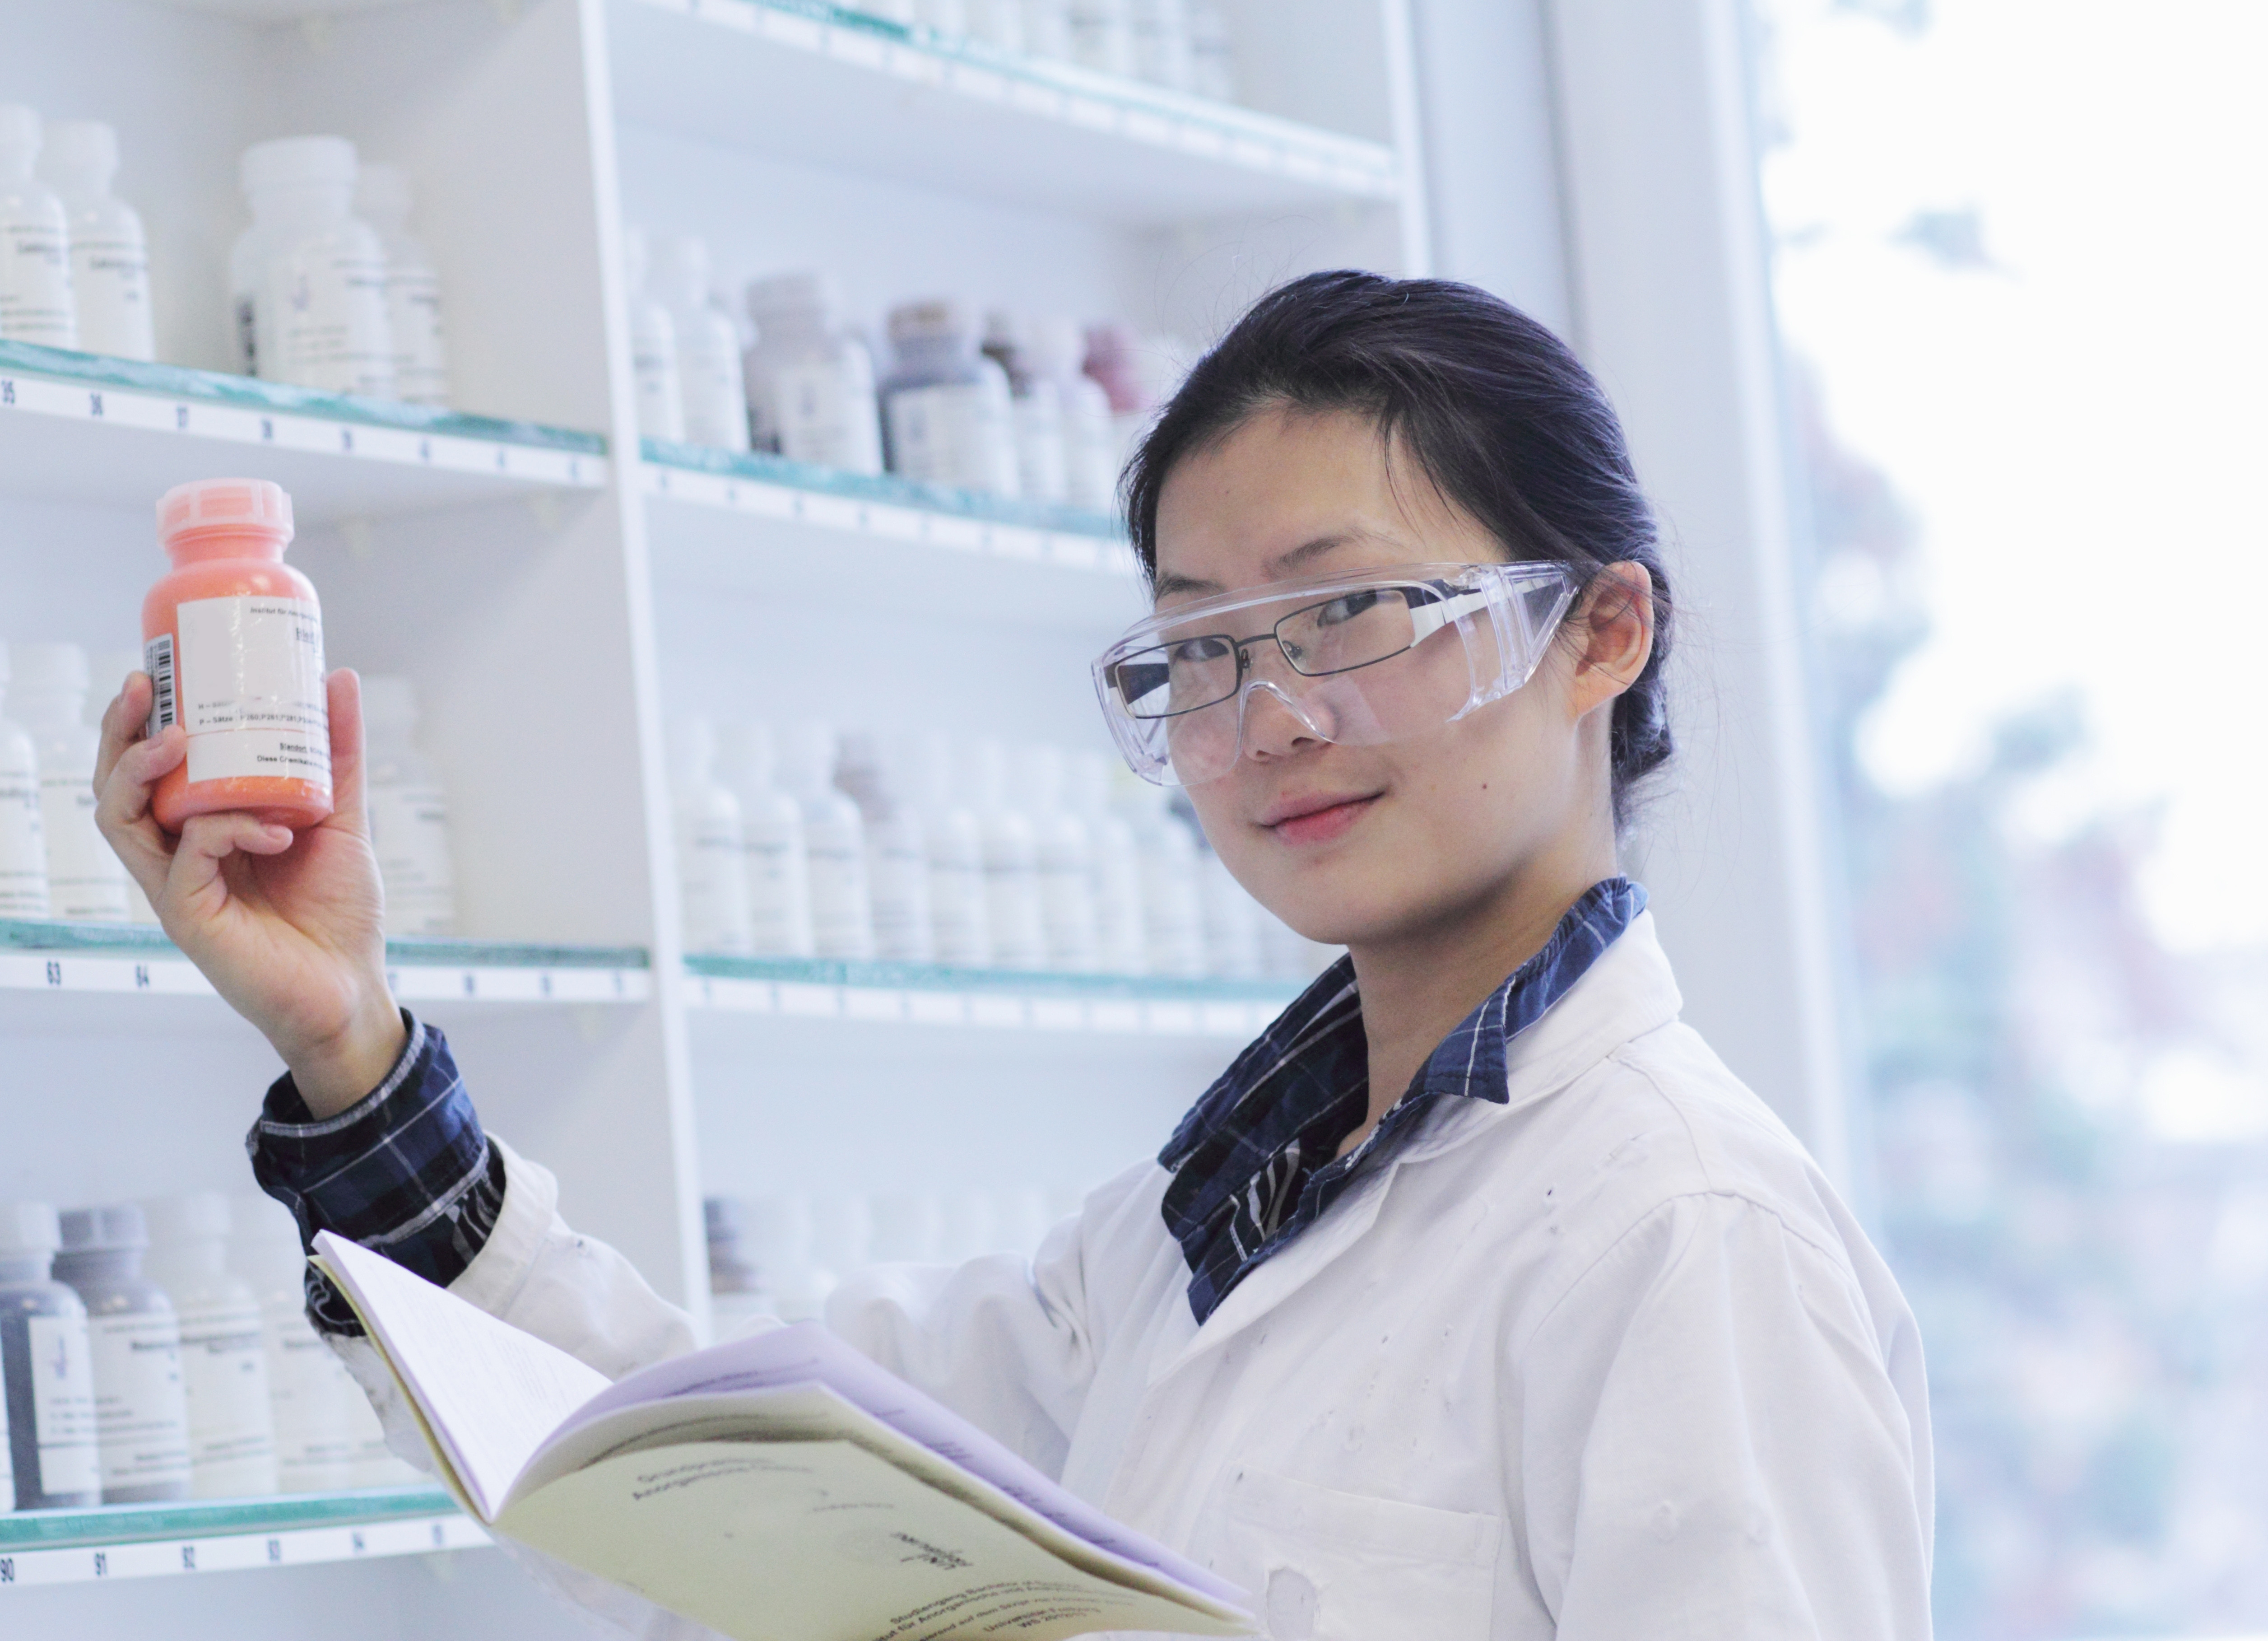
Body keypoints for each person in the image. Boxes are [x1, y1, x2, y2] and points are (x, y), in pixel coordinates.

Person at [95, 271, 1932, 1640]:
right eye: (1199, 649)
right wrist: (354, 1049)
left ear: (1602, 630)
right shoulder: (1183, 1240)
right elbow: (695, 1483)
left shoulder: (1686, 1239)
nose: (1268, 717)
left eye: (1348, 611)